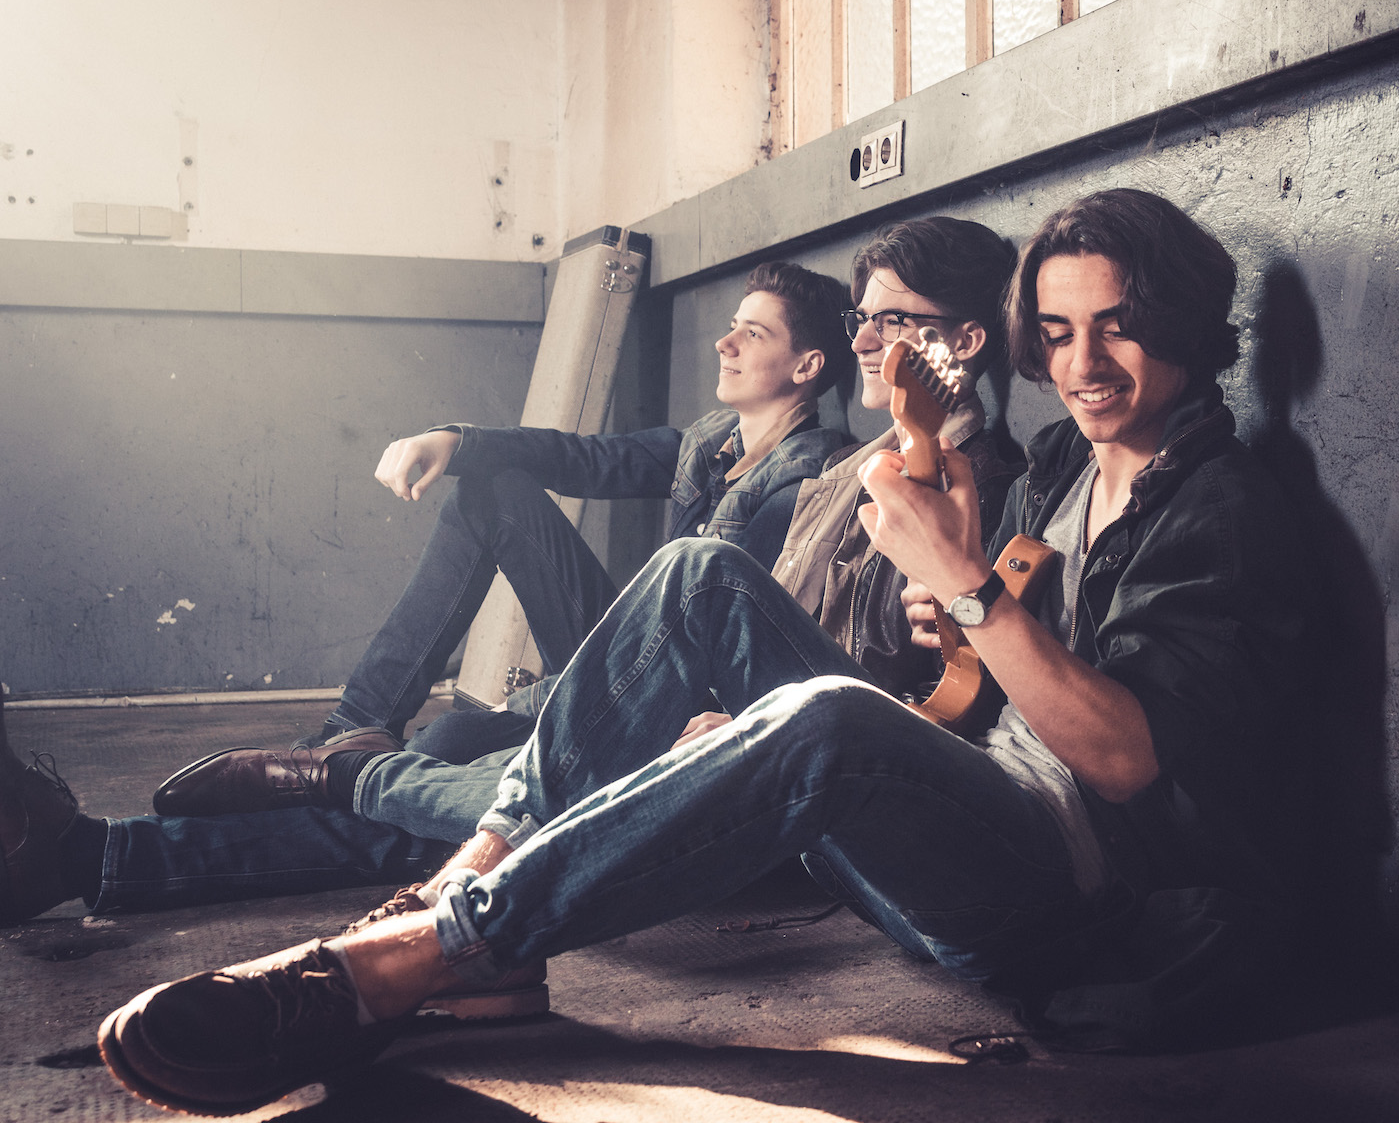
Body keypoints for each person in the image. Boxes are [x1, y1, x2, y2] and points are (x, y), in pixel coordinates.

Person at [93, 188, 1323, 1116]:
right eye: (1056, 333)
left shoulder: (1225, 506)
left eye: (1119, 330)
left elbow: (1123, 760)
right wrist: (953, 626)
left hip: (1074, 896)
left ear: (1186, 326)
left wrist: (962, 591)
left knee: (825, 718)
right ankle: (473, 891)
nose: (1084, 366)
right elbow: (982, 674)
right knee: (693, 576)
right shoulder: (1062, 465)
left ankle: (426, 951)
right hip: (965, 805)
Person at [0, 220, 1022, 931]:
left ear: (962, 342)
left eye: (890, 322)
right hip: (709, 703)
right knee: (456, 749)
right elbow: (600, 469)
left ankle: (321, 776)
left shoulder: (956, 478)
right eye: (864, 320)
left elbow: (913, 689)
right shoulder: (830, 460)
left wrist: (752, 712)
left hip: (747, 743)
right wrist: (460, 439)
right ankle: (123, 845)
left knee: (475, 799)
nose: (868, 341)